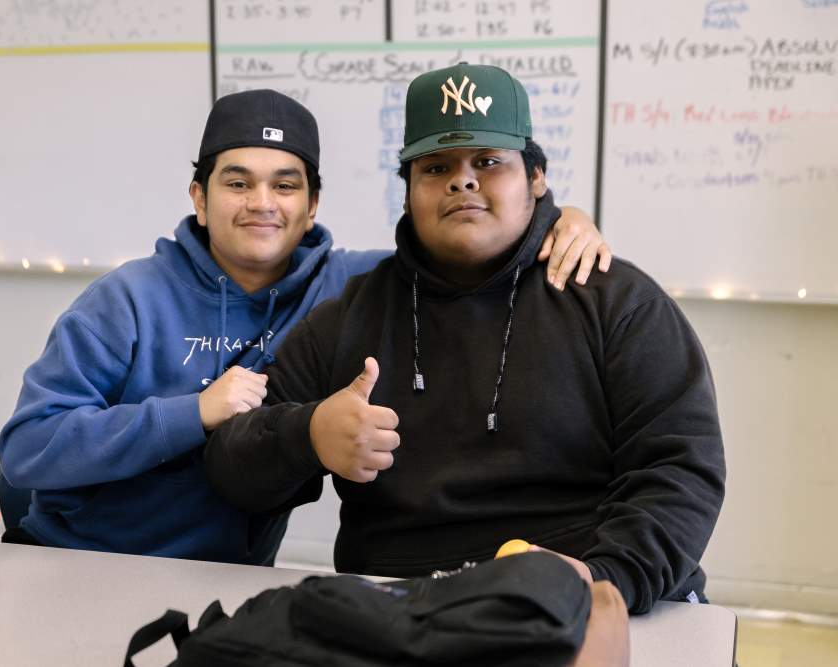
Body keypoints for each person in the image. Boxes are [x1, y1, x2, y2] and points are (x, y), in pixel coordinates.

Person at [0, 88, 611, 564]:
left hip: (228, 577)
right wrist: (195, 412)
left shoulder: (351, 288)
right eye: (237, 182)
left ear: (312, 203)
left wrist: (559, 219)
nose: (262, 202)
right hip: (80, 562)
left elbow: (465, 251)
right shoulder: (125, 300)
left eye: (285, 185)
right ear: (199, 196)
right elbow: (26, 451)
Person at [204, 63, 726, 614]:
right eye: (436, 166)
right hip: (403, 612)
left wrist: (606, 580)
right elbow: (231, 469)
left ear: (537, 176)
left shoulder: (616, 301)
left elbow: (680, 470)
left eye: (488, 161)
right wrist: (306, 433)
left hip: (588, 600)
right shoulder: (351, 316)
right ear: (407, 190)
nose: (463, 180)